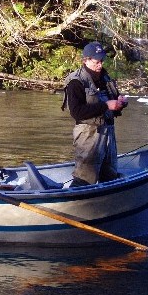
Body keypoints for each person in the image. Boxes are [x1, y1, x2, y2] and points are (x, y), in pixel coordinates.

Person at [61, 41, 128, 187]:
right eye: (97, 61)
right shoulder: (76, 82)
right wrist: (105, 106)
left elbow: (113, 102)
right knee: (84, 178)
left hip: (108, 134)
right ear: (86, 60)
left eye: (102, 60)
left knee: (110, 176)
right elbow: (76, 112)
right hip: (88, 136)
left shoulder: (105, 78)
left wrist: (120, 103)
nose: (100, 64)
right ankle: (74, 205)